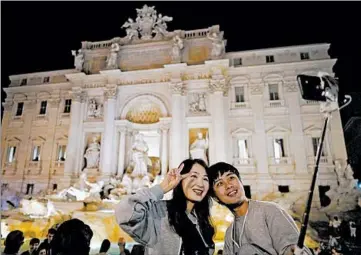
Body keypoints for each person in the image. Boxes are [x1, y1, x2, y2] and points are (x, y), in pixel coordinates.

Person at [208, 162, 312, 255]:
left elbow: (292, 247)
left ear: (240, 182)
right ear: (215, 198)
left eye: (231, 177)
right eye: (219, 183)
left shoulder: (270, 211)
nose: (228, 185)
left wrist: (292, 250)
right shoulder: (229, 235)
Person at [115, 158, 215, 255]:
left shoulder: (204, 223)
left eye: (205, 179)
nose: (200, 184)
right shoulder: (159, 213)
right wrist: (162, 188)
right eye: (194, 176)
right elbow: (124, 212)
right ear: (180, 180)